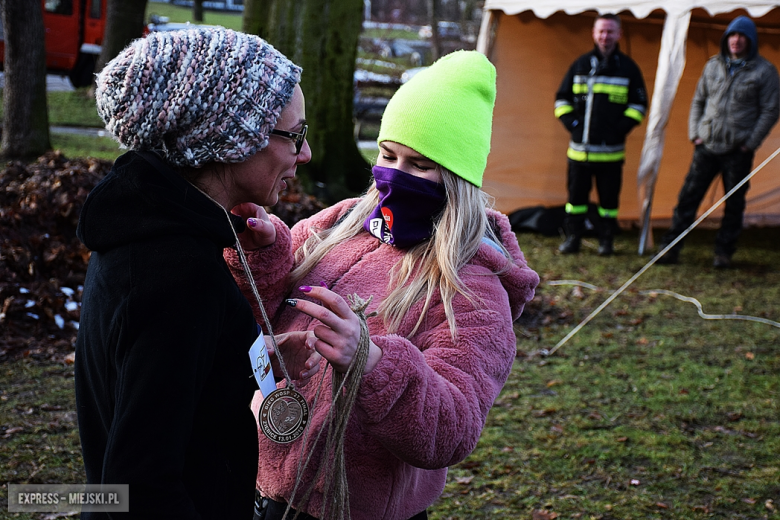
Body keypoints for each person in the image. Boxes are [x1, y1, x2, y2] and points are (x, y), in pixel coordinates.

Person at [226, 51, 540, 520]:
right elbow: (256, 318)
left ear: (456, 180)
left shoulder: (475, 290)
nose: (395, 175)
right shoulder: (338, 224)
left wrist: (371, 361)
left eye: (419, 165)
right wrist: (263, 256)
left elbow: (451, 429)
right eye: (388, 155)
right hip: (257, 487)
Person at [75, 28, 320, 519]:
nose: (306, 153)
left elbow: (163, 390)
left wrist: (251, 362)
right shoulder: (175, 275)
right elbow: (141, 488)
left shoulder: (150, 233)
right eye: (294, 136)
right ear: (232, 137)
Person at [657, 15, 780, 268]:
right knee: (688, 197)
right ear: (726, 39)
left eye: (742, 36)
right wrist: (695, 134)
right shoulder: (713, 65)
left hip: (738, 149)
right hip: (707, 145)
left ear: (751, 40)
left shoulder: (764, 71)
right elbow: (698, 100)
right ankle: (670, 248)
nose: (736, 40)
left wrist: (750, 143)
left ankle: (723, 253)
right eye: (732, 35)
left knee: (734, 204)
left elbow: (770, 110)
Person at [554, 13, 648, 256]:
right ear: (594, 34)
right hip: (579, 153)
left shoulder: (628, 69)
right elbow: (562, 100)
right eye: (601, 31)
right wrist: (574, 124)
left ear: (619, 35)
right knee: (575, 201)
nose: (605, 36)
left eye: (610, 31)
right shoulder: (580, 65)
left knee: (609, 203)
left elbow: (639, 104)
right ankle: (573, 238)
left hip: (611, 154)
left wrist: (619, 130)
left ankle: (606, 241)